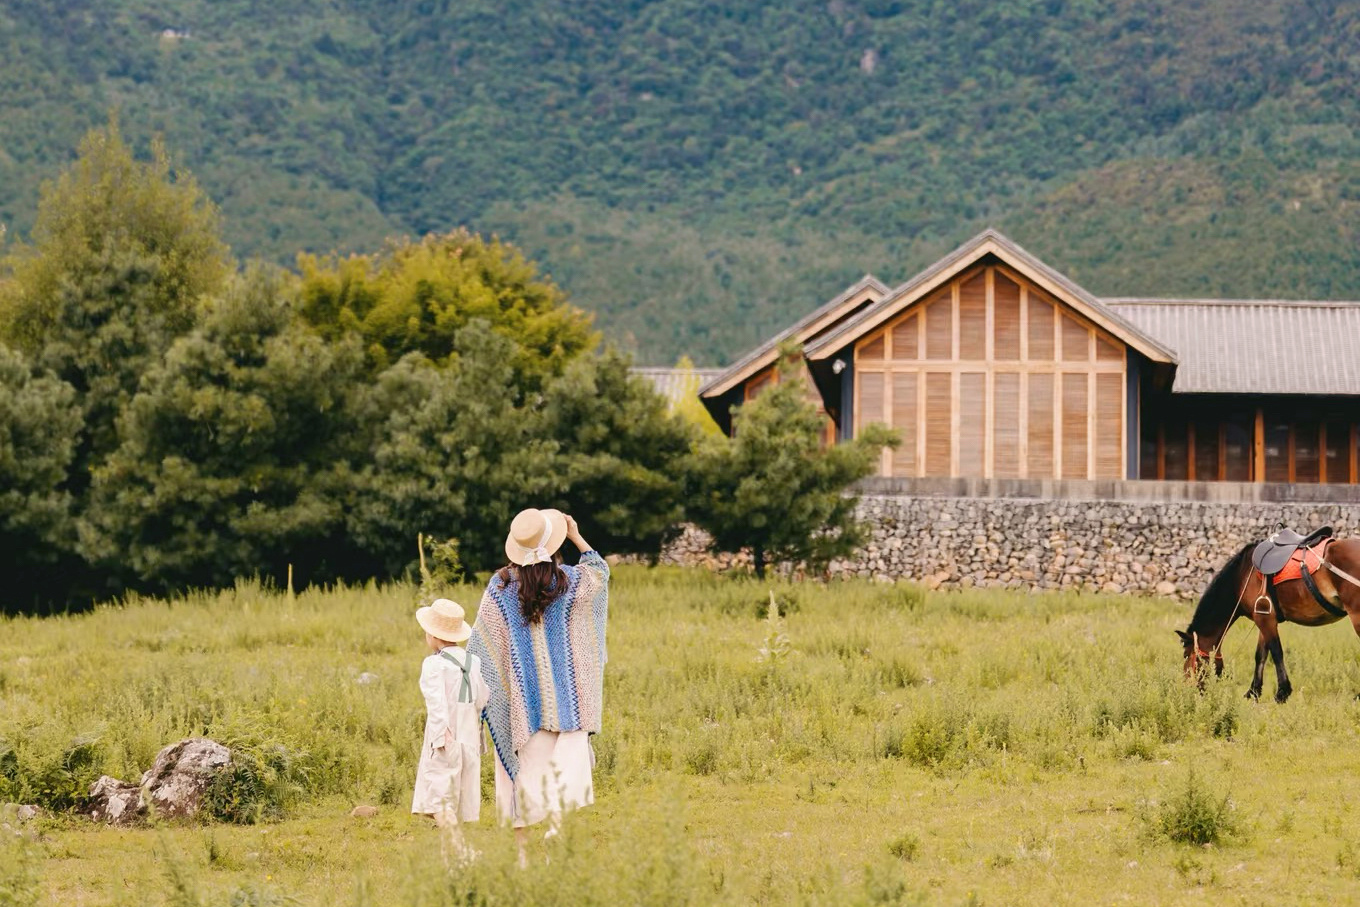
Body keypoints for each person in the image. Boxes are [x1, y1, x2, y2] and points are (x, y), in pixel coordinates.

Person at [468, 507, 610, 865]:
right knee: (564, 779)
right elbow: (600, 573)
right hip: (570, 703)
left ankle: (523, 858)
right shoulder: (572, 581)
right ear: (555, 540)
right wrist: (577, 535)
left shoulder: (500, 586)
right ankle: (557, 840)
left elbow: (480, 646)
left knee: (522, 779)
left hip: (522, 706)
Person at [412, 598, 490, 830]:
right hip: (469, 739)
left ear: (433, 636)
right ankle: (453, 856)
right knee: (458, 797)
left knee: (439, 799)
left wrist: (439, 736)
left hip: (445, 736)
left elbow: (436, 703)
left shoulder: (433, 665)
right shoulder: (473, 661)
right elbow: (483, 697)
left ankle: (459, 851)